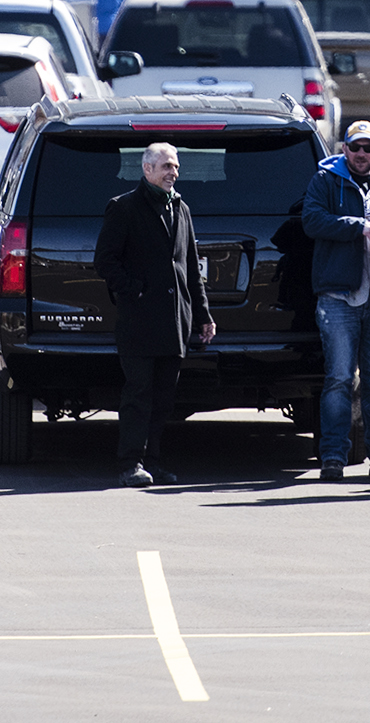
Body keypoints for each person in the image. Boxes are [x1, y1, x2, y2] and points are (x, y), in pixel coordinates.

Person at [94, 142, 214, 487]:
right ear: (147, 170)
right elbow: (105, 261)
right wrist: (135, 287)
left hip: (175, 322)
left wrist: (203, 315)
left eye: (175, 167)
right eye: (165, 167)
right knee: (139, 395)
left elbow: (190, 267)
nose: (172, 173)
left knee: (164, 398)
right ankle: (130, 462)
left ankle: (154, 461)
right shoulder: (125, 208)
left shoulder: (181, 208)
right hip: (139, 321)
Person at [299, 120, 370, 482]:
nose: (361, 154)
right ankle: (333, 457)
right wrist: (356, 225)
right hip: (338, 296)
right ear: (344, 149)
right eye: (355, 147)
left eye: (368, 148)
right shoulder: (325, 180)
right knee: (339, 379)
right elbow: (312, 221)